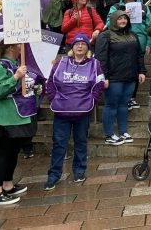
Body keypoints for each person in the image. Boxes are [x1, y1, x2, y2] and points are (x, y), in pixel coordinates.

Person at [0, 40, 41, 206]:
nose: (21, 49)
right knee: (4, 152)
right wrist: (16, 76)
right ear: (10, 48)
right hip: (0, 117)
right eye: (18, 46)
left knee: (13, 151)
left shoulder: (15, 64)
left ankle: (8, 184)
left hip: (14, 116)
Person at [44, 34, 105, 190]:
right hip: (61, 111)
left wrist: (92, 99)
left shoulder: (95, 64)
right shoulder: (59, 64)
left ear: (87, 47)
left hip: (82, 111)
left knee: (81, 142)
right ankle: (53, 175)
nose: (80, 46)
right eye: (77, 44)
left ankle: (79, 171)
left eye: (83, 44)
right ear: (72, 47)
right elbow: (50, 82)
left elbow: (99, 84)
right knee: (59, 145)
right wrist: (53, 98)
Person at [95, 10, 146, 145]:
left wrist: (141, 71)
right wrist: (103, 77)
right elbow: (101, 58)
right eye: (120, 19)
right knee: (111, 105)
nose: (123, 21)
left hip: (130, 77)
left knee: (124, 105)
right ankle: (109, 134)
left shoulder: (133, 35)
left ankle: (123, 131)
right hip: (113, 78)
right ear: (114, 20)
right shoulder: (105, 36)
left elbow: (139, 55)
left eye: (125, 19)